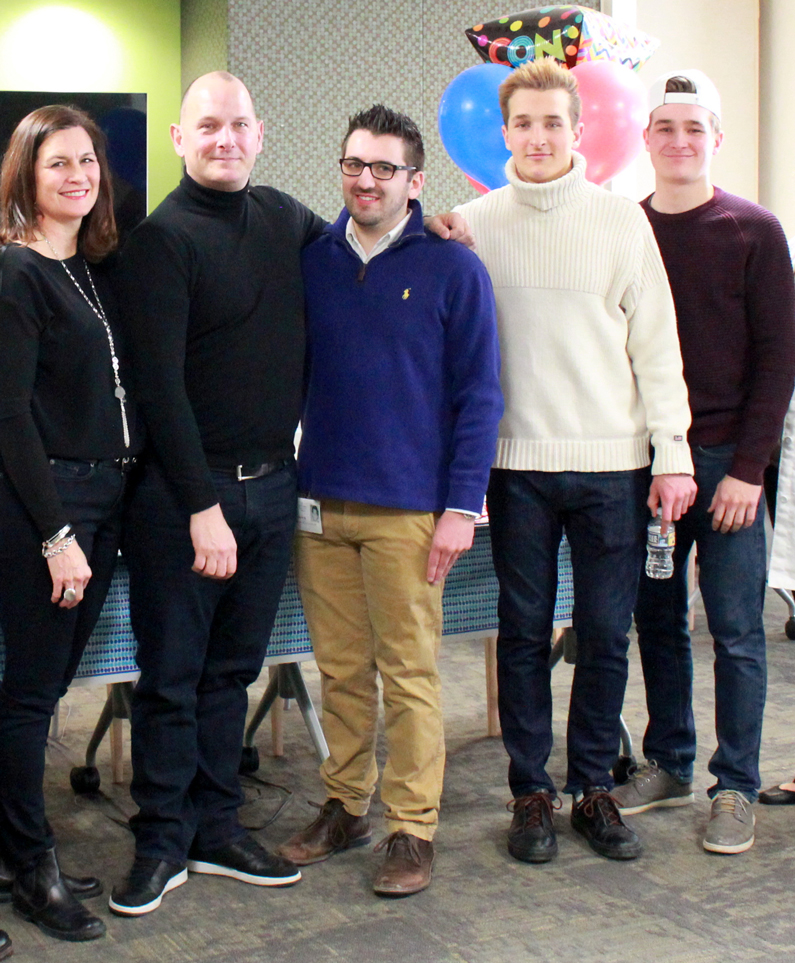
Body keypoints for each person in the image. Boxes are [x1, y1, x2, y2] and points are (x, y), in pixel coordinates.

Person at [109, 73, 466, 916]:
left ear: (259, 134)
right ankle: (161, 840)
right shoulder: (158, 241)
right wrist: (200, 507)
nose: (224, 139)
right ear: (179, 139)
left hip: (274, 491)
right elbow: (158, 390)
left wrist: (441, 220)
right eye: (207, 126)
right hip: (186, 498)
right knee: (173, 675)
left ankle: (215, 826)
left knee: (230, 672)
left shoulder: (284, 219)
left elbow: (367, 232)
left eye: (238, 124)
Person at [452, 59, 696, 863]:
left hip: (612, 465)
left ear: (576, 129)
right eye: (523, 123)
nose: (538, 136)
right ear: (504, 133)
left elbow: (656, 347)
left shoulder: (621, 222)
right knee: (521, 631)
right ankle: (530, 790)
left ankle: (592, 784)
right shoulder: (471, 225)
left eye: (552, 122)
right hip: (515, 465)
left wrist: (672, 453)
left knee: (603, 632)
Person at [275, 106, 502, 896]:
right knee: (340, 670)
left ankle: (412, 825)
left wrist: (460, 506)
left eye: (382, 168)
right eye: (353, 165)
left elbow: (480, 396)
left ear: (415, 180)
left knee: (407, 673)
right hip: (320, 503)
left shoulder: (453, 268)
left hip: (409, 509)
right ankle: (346, 804)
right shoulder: (313, 260)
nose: (365, 180)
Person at [613, 70, 795, 852]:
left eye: (694, 128)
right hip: (650, 461)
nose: (679, 141)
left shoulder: (754, 231)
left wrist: (749, 470)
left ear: (715, 139)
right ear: (644, 139)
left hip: (728, 465)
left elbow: (778, 359)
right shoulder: (625, 228)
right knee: (655, 619)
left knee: (734, 629)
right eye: (665, 127)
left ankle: (735, 784)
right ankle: (669, 760)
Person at [0, 104, 143, 942]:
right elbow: (8, 416)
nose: (78, 175)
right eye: (58, 162)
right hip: (48, 506)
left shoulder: (88, 267)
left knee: (45, 689)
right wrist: (56, 535)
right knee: (29, 697)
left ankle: (16, 845)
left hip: (105, 497)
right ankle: (32, 866)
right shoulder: (16, 273)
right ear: (26, 173)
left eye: (87, 160)